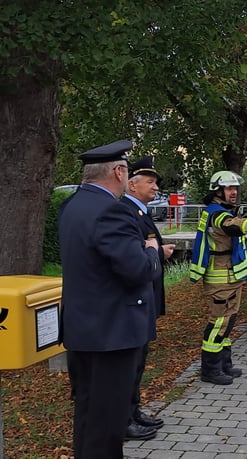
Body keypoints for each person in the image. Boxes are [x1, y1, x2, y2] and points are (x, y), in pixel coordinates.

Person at [58, 140, 162, 458]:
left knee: (89, 417)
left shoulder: (72, 205)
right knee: (108, 426)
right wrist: (152, 252)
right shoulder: (112, 211)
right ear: (118, 172)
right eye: (127, 171)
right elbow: (136, 270)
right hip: (113, 335)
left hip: (83, 330)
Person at [190, 170, 247, 385]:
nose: (234, 192)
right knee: (219, 322)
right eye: (229, 188)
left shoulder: (223, 210)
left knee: (228, 322)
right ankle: (210, 370)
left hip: (230, 277)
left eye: (235, 188)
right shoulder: (216, 214)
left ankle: (224, 365)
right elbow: (233, 226)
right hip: (220, 279)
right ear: (217, 190)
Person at [120, 156, 176, 440]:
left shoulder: (139, 212)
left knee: (139, 360)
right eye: (150, 182)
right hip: (135, 300)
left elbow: (147, 248)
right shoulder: (126, 212)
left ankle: (134, 410)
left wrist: (157, 251)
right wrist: (156, 252)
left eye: (155, 182)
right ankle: (126, 417)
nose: (156, 187)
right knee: (131, 362)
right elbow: (136, 254)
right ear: (132, 184)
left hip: (146, 297)